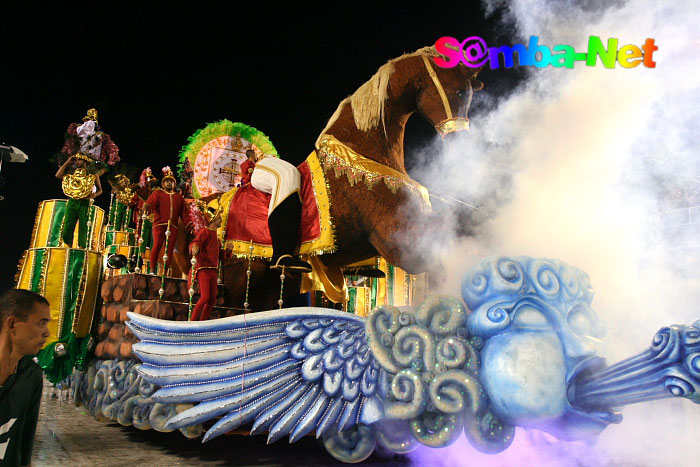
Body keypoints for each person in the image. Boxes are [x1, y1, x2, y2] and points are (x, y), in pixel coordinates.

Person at [0, 289, 51, 467]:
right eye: (41, 323)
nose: (47, 333)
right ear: (12, 324)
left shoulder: (31, 376)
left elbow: (24, 442)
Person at [249, 153, 312, 272]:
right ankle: (281, 255)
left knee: (294, 174)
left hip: (268, 163)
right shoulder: (261, 160)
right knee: (287, 174)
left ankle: (289, 252)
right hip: (260, 170)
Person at [144, 167, 188, 275]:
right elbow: (151, 202)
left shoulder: (179, 198)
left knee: (169, 250)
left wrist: (190, 225)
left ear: (174, 184)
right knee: (157, 245)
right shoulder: (157, 194)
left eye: (171, 182)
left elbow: (184, 214)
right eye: (167, 181)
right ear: (163, 184)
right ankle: (152, 270)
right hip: (159, 224)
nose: (169, 183)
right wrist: (147, 206)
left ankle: (164, 272)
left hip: (173, 227)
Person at [55, 153, 102, 248]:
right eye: (76, 160)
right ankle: (67, 246)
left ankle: (81, 249)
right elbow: (58, 175)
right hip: (73, 201)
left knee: (84, 228)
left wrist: (95, 195)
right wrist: (68, 160)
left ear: (85, 161)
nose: (77, 162)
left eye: (79, 160)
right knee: (68, 226)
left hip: (85, 203)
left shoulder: (92, 174)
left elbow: (100, 190)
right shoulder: (72, 172)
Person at [189, 208, 221, 321]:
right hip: (204, 269)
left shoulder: (217, 239)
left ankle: (202, 321)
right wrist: (195, 246)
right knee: (205, 297)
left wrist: (228, 250)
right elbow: (196, 242)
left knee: (212, 300)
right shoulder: (205, 232)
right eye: (218, 217)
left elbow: (221, 256)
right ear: (213, 220)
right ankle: (192, 321)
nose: (221, 219)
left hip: (213, 270)